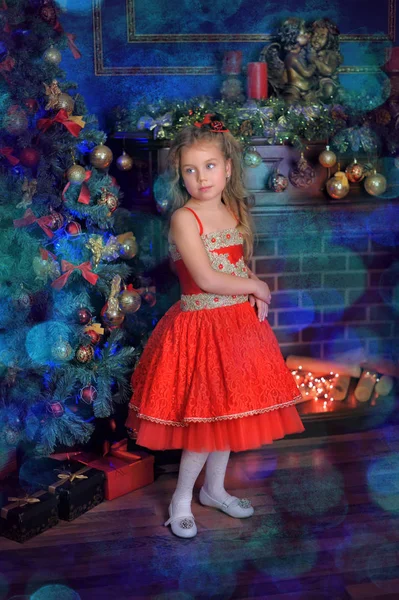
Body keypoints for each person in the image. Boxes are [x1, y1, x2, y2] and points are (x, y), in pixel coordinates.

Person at [125, 114, 304, 538]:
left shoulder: (232, 208)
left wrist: (251, 296)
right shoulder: (185, 219)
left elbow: (235, 265)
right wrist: (258, 285)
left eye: (209, 166)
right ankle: (181, 499)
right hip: (200, 327)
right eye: (190, 169)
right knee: (205, 422)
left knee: (230, 413)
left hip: (238, 329)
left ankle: (215, 489)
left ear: (227, 168)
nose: (201, 178)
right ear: (180, 175)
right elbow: (206, 278)